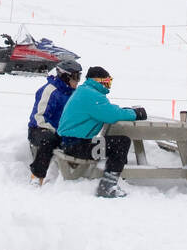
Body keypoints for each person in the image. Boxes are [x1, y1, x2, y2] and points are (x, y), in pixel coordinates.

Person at [57, 67, 147, 198]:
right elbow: (111, 115)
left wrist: (124, 111)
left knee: (114, 141)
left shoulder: (85, 92)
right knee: (121, 143)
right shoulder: (91, 95)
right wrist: (135, 113)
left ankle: (115, 179)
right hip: (77, 146)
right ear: (97, 81)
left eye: (109, 82)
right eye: (106, 81)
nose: (108, 85)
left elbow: (107, 110)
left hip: (70, 142)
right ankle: (108, 186)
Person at [27, 59, 82, 185]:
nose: (77, 81)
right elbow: (39, 117)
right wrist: (56, 131)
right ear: (65, 76)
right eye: (75, 77)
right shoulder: (50, 90)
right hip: (39, 129)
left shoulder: (73, 93)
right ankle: (37, 176)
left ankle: (78, 175)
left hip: (61, 131)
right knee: (49, 140)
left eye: (79, 76)